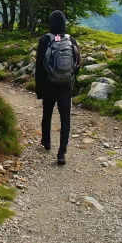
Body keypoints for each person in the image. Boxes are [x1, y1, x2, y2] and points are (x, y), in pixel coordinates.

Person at [35, 10, 81, 165]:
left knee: (47, 114)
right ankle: (62, 153)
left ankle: (46, 142)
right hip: (66, 85)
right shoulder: (71, 40)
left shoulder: (45, 40)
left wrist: (39, 89)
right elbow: (77, 63)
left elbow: (39, 66)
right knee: (65, 118)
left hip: (49, 84)